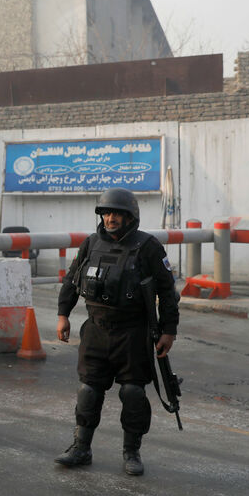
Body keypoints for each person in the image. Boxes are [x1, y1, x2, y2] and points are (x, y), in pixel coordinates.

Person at [54, 187, 179, 476]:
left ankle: (131, 452)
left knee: (133, 392)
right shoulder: (90, 244)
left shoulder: (148, 247)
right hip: (95, 331)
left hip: (132, 333)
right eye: (106, 213)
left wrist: (168, 330)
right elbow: (71, 282)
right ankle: (80, 448)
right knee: (88, 390)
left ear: (130, 217)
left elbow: (167, 292)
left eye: (117, 214)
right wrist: (63, 315)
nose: (111, 218)